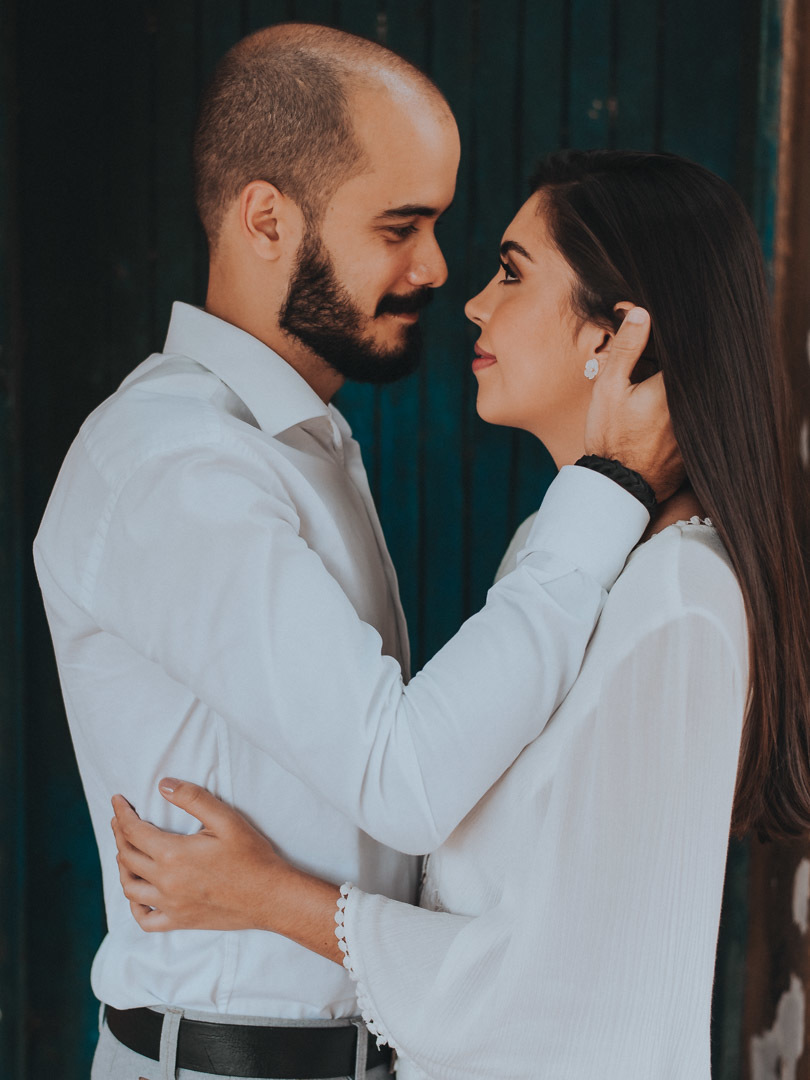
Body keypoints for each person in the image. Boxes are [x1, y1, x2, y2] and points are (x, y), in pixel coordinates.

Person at [34, 24, 676, 1080]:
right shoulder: (175, 465)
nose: (435, 267)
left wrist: (289, 903)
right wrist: (609, 488)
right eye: (400, 226)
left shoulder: (298, 443)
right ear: (267, 219)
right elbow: (407, 781)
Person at [113, 150, 810, 1080]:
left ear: (618, 333)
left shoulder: (677, 605)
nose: (474, 302)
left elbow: (563, 1002)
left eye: (513, 272)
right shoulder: (566, 552)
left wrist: (271, 896)